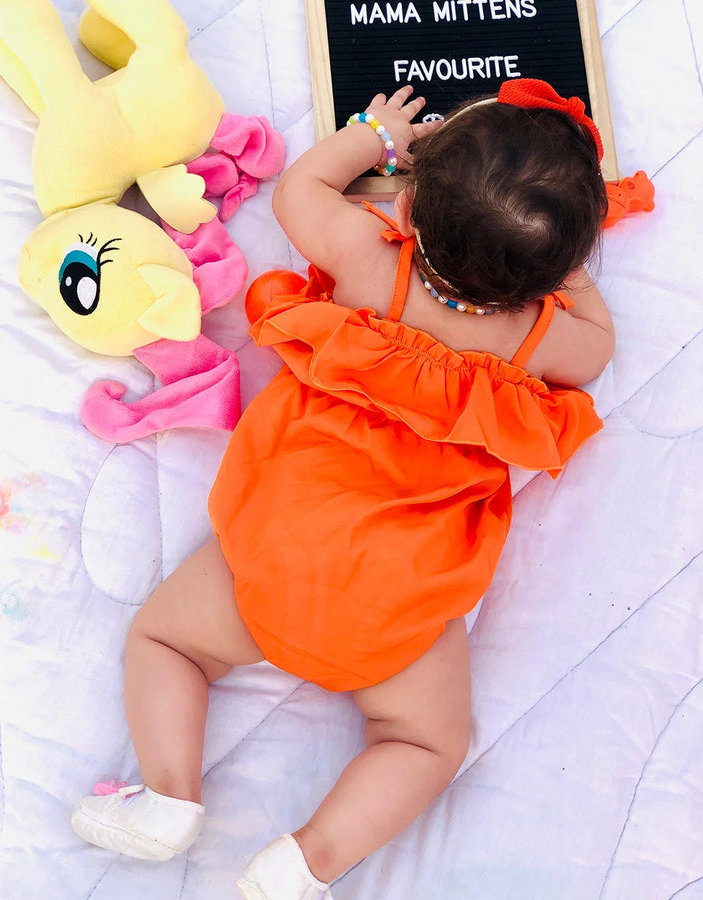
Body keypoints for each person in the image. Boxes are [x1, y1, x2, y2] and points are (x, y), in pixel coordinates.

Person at [71, 79, 615, 900]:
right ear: (553, 272)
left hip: (274, 557)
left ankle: (170, 794)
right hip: (396, 607)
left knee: (165, 643)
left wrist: (375, 136)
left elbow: (301, 192)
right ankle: (308, 861)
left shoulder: (370, 266)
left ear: (415, 207)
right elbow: (599, 346)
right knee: (428, 745)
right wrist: (561, 274)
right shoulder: (536, 338)